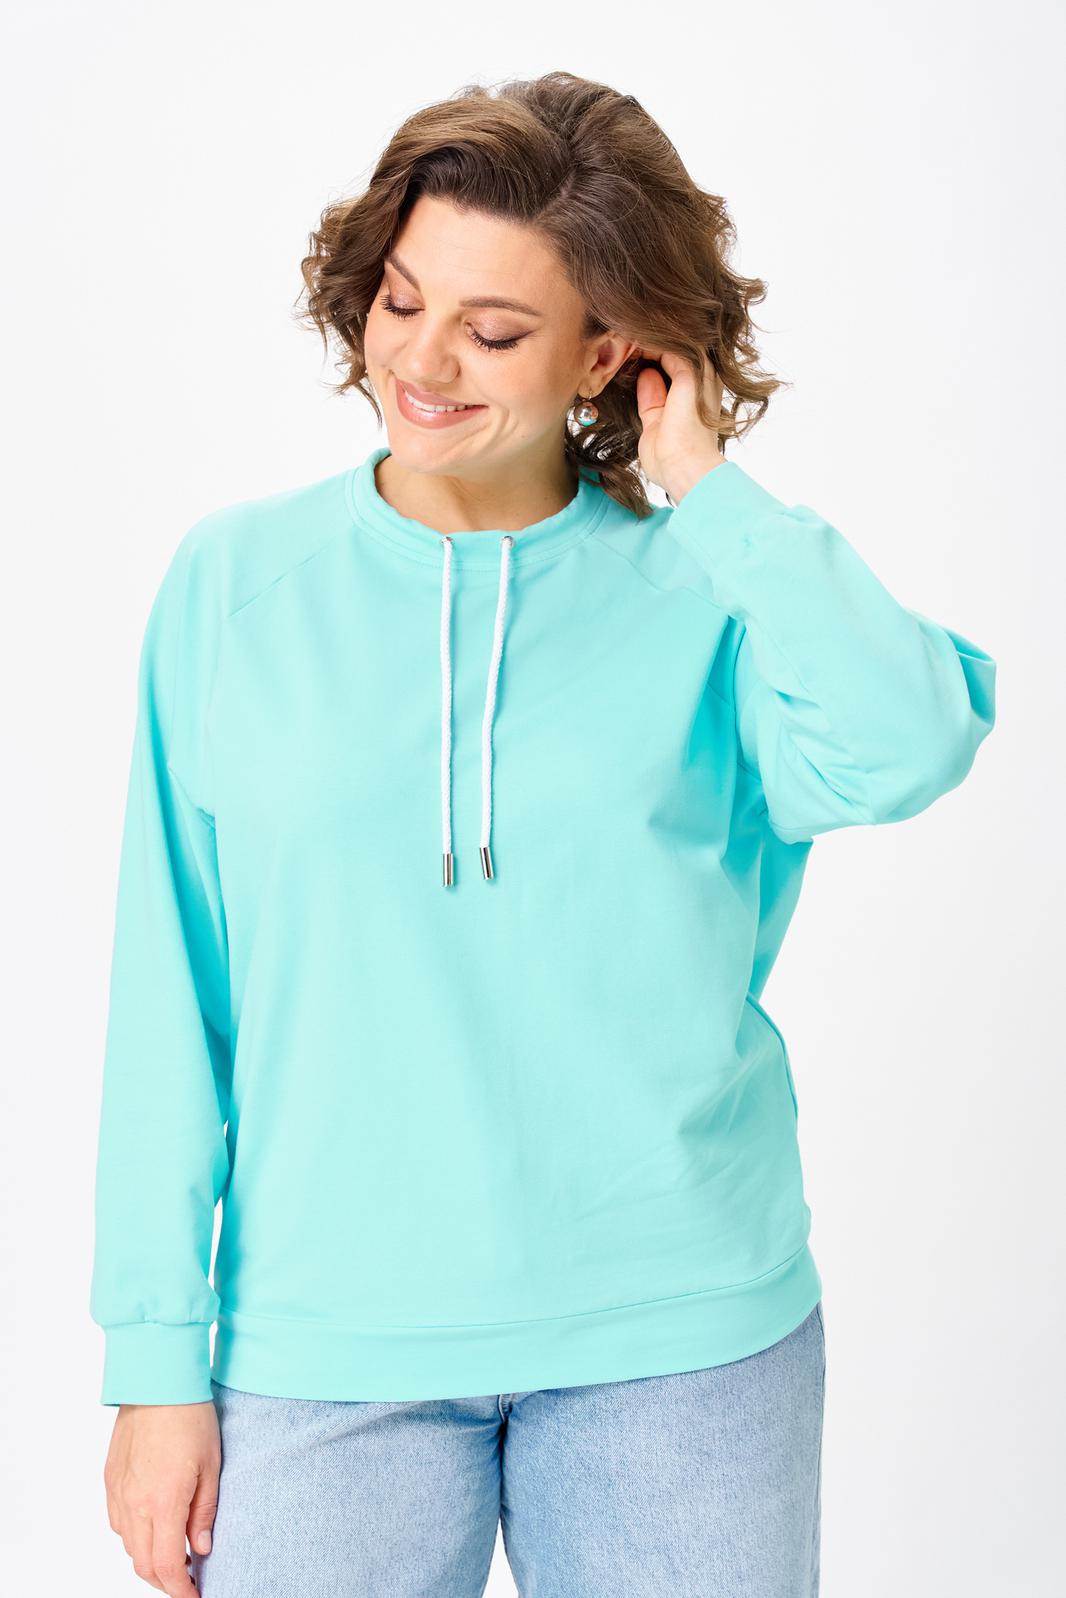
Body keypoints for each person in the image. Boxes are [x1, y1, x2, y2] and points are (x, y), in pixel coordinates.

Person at [90, 70, 997, 1597]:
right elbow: (168, 990)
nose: (420, 358)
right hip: (322, 1344)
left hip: (682, 1336)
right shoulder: (235, 588)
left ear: (608, 348)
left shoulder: (711, 590)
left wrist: (704, 486)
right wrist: (152, 1358)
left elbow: (906, 742)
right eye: (400, 300)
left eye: (494, 330)